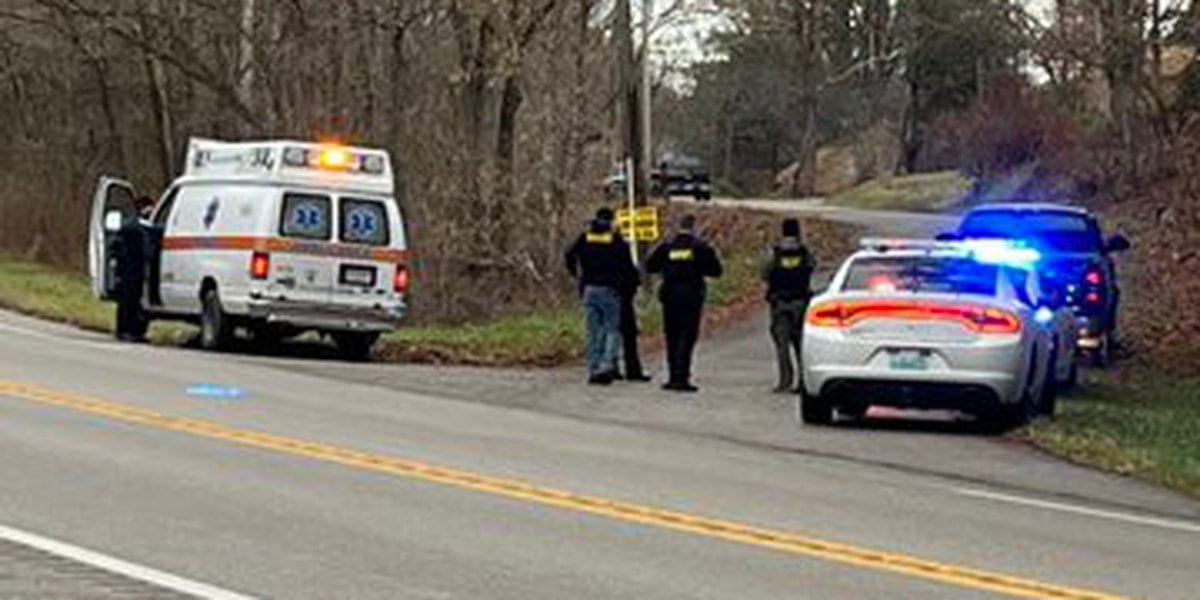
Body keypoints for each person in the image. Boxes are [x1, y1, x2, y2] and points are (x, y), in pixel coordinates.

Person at [645, 214, 722, 392]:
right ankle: (682, 376)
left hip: (670, 296)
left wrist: (667, 269)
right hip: (691, 297)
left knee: (671, 335)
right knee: (687, 337)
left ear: (678, 227)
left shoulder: (667, 247)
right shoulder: (700, 248)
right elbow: (716, 270)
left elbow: (650, 266)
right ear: (694, 227)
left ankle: (672, 376)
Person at [565, 208, 638, 385]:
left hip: (589, 288)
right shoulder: (616, 240)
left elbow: (568, 253)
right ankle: (606, 365)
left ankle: (593, 368)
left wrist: (575, 272)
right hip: (610, 289)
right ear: (611, 221)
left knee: (592, 331)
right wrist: (630, 285)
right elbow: (628, 266)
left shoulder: (585, 238)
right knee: (612, 329)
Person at [760, 218, 816, 393]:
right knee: (800, 344)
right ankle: (802, 381)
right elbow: (812, 267)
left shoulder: (774, 253)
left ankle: (785, 381)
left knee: (782, 345)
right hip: (800, 302)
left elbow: (765, 273)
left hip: (779, 303)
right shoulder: (805, 253)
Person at [113, 196, 156, 342]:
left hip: (136, 269)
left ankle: (134, 331)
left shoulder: (140, 226)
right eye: (148, 208)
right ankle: (125, 330)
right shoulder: (132, 226)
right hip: (129, 269)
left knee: (134, 300)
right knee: (128, 300)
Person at [616, 265, 651, 382]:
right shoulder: (622, 252)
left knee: (607, 334)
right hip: (624, 300)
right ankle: (632, 370)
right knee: (628, 336)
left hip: (609, 295)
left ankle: (610, 367)